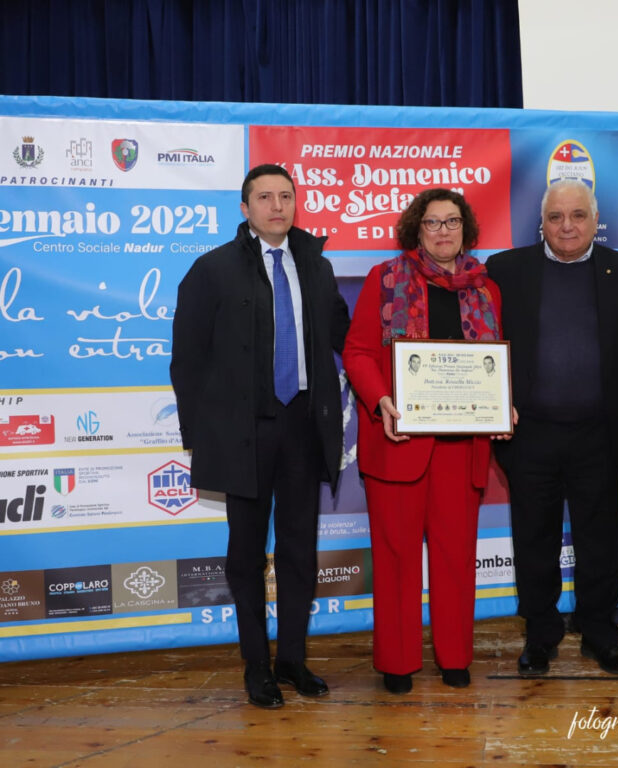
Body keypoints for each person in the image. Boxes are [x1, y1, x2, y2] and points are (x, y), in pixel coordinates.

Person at [170, 163, 350, 709]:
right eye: (265, 197)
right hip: (242, 431)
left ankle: (292, 659)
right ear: (245, 208)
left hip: (303, 427)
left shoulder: (316, 265)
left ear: (296, 204)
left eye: (286, 196)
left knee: (299, 551)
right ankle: (257, 665)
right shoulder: (211, 270)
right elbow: (188, 360)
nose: (277, 206)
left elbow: (345, 335)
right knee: (246, 555)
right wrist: (201, 434)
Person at [487, 179, 618, 676]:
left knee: (600, 541)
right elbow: (478, 339)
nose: (566, 226)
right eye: (556, 217)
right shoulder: (505, 269)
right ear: (541, 222)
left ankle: (600, 634)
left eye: (578, 216)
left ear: (595, 220)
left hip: (598, 434)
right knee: (533, 540)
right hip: (529, 434)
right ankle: (541, 635)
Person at [342, 188, 502, 694]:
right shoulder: (385, 279)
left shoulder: (486, 289)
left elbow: (494, 364)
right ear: (417, 230)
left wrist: (504, 403)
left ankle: (455, 657)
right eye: (432, 222)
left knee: (457, 556)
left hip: (462, 447)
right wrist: (381, 399)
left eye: (452, 221)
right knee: (395, 558)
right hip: (398, 442)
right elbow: (357, 352)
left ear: (466, 229)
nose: (442, 231)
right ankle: (397, 662)